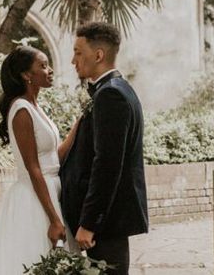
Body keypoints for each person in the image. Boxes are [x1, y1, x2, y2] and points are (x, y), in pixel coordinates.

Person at [0, 45, 79, 274]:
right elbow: (33, 168)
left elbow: (52, 159)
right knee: (34, 262)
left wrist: (77, 127)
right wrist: (54, 219)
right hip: (34, 198)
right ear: (26, 75)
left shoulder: (36, 106)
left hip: (52, 190)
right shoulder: (21, 110)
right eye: (43, 66)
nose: (49, 70)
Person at [59, 21, 149, 275]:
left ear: (98, 55)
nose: (73, 60)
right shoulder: (113, 90)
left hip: (106, 223)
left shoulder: (111, 95)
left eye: (78, 52)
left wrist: (89, 223)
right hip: (108, 221)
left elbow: (107, 165)